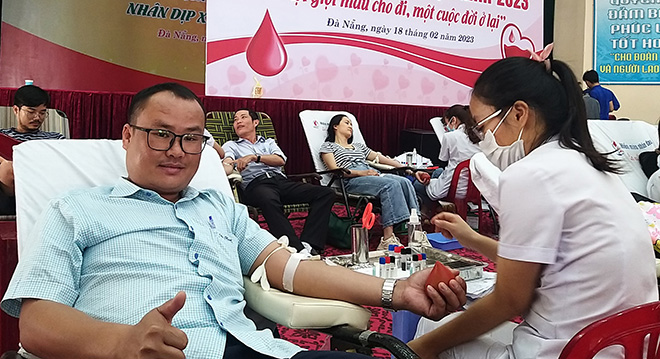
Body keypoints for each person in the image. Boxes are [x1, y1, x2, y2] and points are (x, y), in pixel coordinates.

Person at [1, 82, 467, 359]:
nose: (178, 151)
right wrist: (120, 343)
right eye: (161, 135)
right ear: (127, 136)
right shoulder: (77, 208)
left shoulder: (219, 205)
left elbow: (290, 268)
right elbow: (36, 324)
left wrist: (396, 292)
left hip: (254, 348)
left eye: (191, 139)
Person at [409, 57, 658, 359]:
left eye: (482, 127)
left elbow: (511, 300)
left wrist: (419, 349)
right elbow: (541, 265)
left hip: (570, 349)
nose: (482, 139)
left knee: (430, 331)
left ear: (518, 113)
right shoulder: (589, 163)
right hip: (626, 346)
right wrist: (471, 239)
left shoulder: (531, 174)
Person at [222, 109, 335, 256]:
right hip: (256, 184)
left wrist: (254, 157)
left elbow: (280, 160)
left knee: (326, 193)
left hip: (281, 181)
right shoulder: (231, 145)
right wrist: (229, 165)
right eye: (235, 120)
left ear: (255, 122)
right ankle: (296, 249)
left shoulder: (268, 142)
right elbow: (228, 162)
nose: (238, 122)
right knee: (268, 199)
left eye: (243, 117)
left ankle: (310, 243)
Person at [320, 114, 419, 250]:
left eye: (351, 124)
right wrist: (362, 173)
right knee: (390, 185)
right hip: (352, 179)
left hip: (370, 173)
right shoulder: (328, 146)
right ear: (335, 126)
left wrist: (406, 168)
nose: (350, 126)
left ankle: (416, 231)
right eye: (346, 123)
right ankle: (387, 239)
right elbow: (335, 170)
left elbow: (380, 158)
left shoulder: (359, 146)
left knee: (405, 182)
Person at [413, 105, 481, 216]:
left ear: (453, 120)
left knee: (418, 184)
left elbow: (443, 158)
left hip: (455, 188)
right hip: (474, 189)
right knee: (438, 172)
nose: (446, 128)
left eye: (446, 124)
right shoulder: (480, 136)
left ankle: (431, 213)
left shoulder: (450, 136)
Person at [0, 85, 64, 199]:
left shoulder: (56, 138)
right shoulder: (2, 136)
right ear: (16, 110)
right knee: (6, 167)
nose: (37, 117)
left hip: (46, 187)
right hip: (9, 194)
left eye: (42, 113)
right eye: (31, 111)